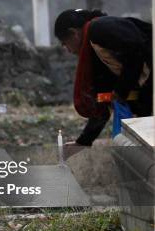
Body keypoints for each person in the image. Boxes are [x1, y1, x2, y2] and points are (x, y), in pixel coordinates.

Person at [53, 9, 152, 157]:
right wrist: (83, 141)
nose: (67, 50)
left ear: (74, 33)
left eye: (64, 43)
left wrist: (121, 91)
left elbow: (135, 48)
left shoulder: (99, 29)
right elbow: (103, 102)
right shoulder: (97, 56)